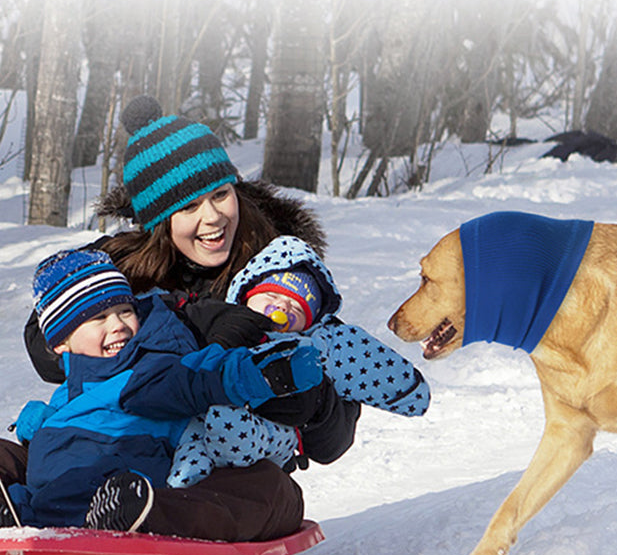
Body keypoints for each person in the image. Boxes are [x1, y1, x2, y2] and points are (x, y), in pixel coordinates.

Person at [8, 95, 360, 516]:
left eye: (221, 194)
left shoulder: (281, 277)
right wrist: (126, 337)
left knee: (272, 493)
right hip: (112, 443)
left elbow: (334, 439)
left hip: (214, 467)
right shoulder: (122, 269)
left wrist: (313, 400)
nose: (213, 218)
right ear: (159, 221)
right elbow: (42, 334)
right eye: (190, 206)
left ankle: (141, 515)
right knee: (25, 454)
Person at [0, 249, 322, 538]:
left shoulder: (148, 369)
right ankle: (18, 513)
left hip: (122, 479)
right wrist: (41, 423)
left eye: (126, 312)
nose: (118, 326)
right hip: (57, 479)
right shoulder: (68, 391)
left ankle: (130, 516)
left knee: (268, 488)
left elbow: (201, 378)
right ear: (60, 343)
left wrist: (265, 374)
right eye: (99, 318)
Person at [169, 236, 431, 485]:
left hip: (265, 439)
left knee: (241, 445)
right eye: (271, 296)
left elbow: (368, 362)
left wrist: (320, 402)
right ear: (246, 293)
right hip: (196, 426)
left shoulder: (318, 347)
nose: (281, 308)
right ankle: (172, 502)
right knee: (188, 463)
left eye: (296, 308)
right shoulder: (216, 316)